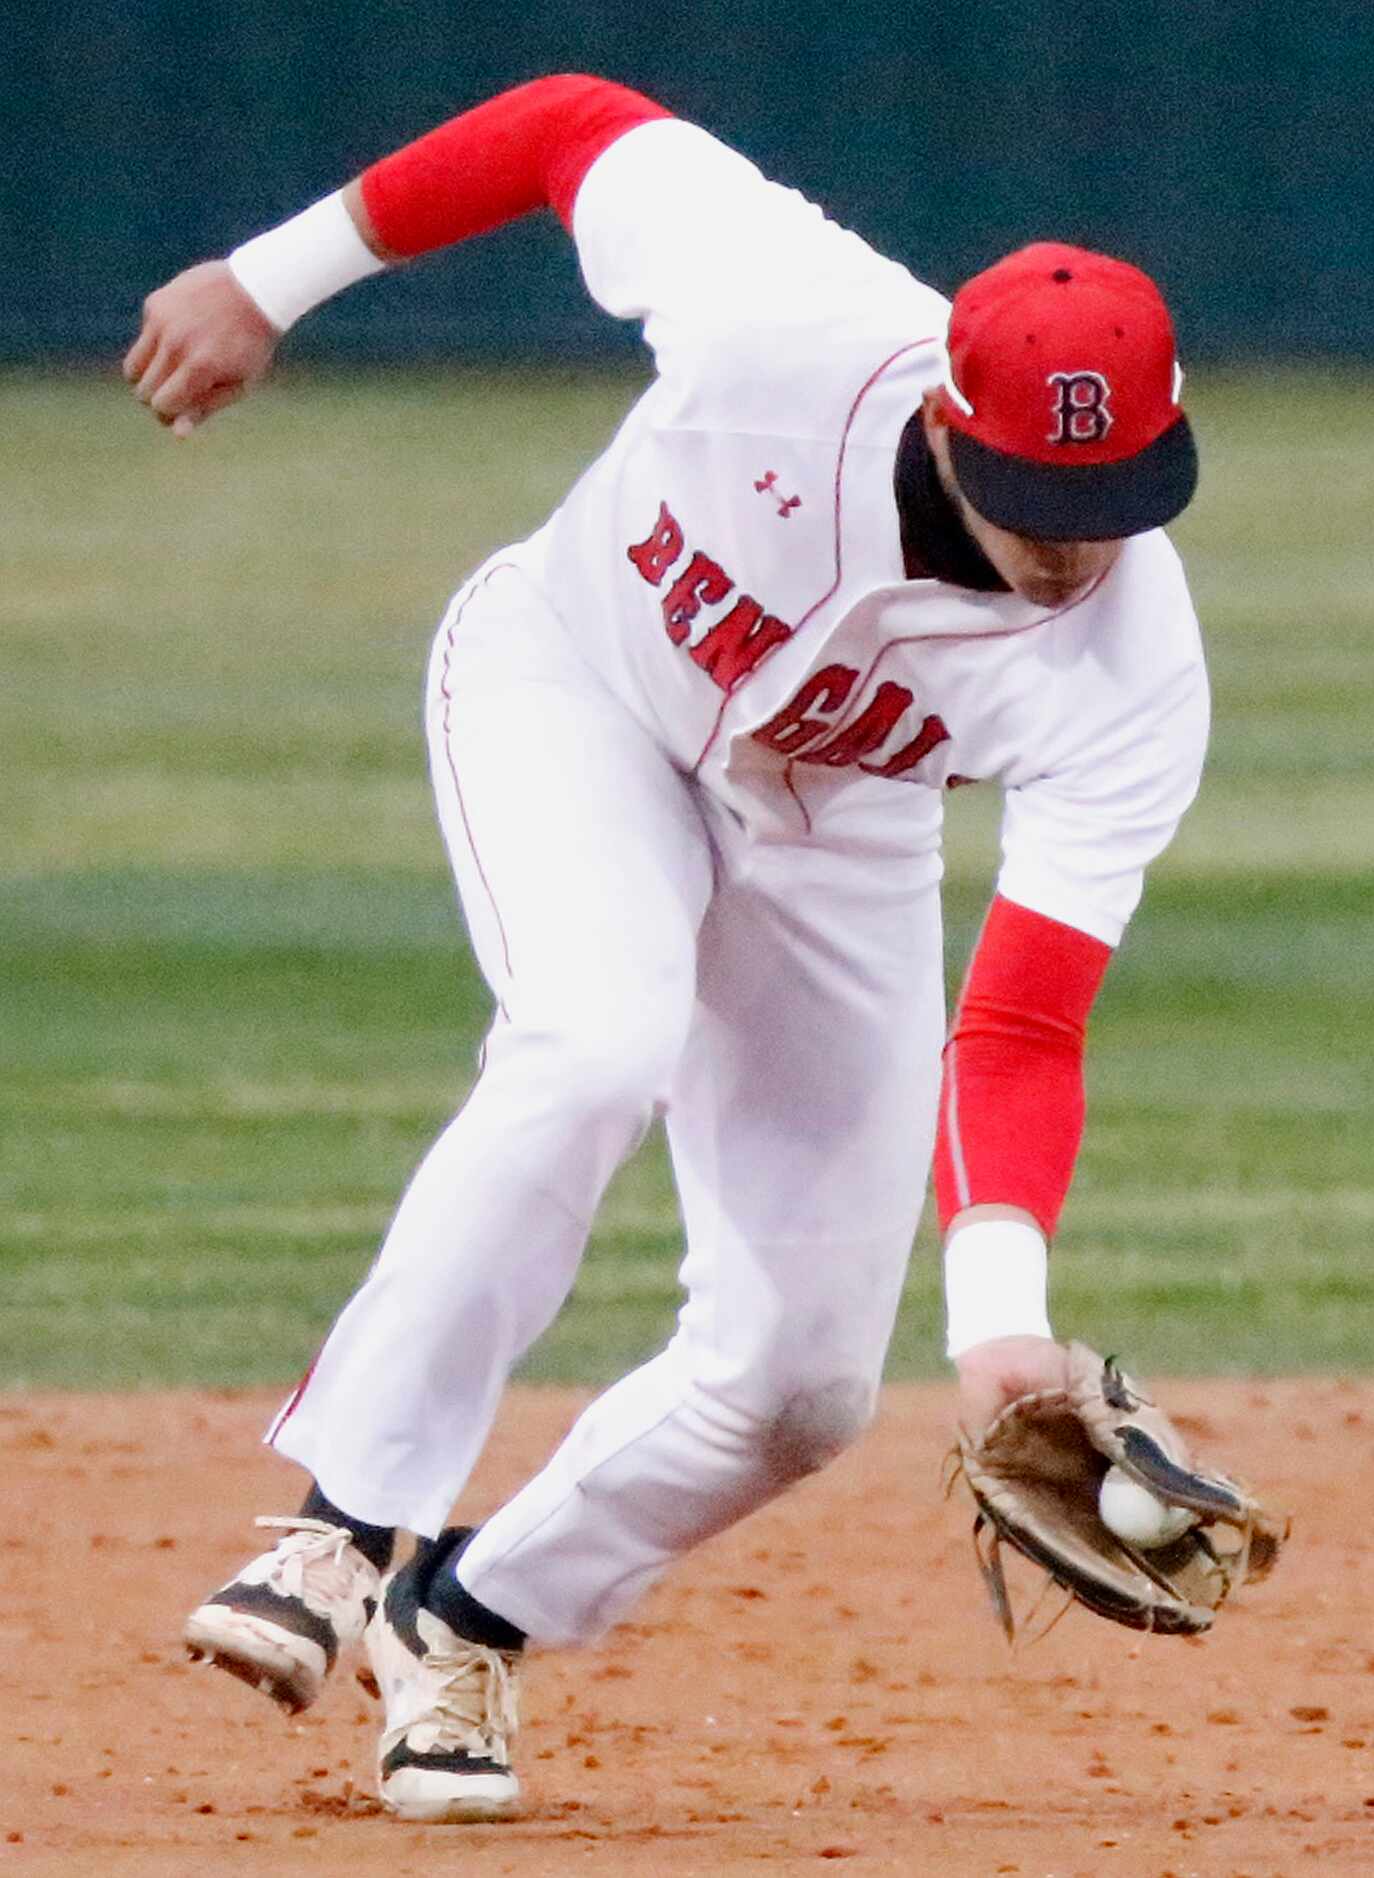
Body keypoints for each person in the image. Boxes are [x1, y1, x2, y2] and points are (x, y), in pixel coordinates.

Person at [124, 73, 1208, 1825]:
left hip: (838, 828)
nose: (1082, 545)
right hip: (578, 689)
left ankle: (459, 1614)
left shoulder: (1135, 670)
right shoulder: (781, 304)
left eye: (1119, 491)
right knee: (592, 1034)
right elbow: (562, 123)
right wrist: (274, 277)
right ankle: (337, 1529)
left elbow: (1018, 1023)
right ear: (945, 419)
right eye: (1041, 497)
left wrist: (1001, 1318)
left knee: (798, 1386)